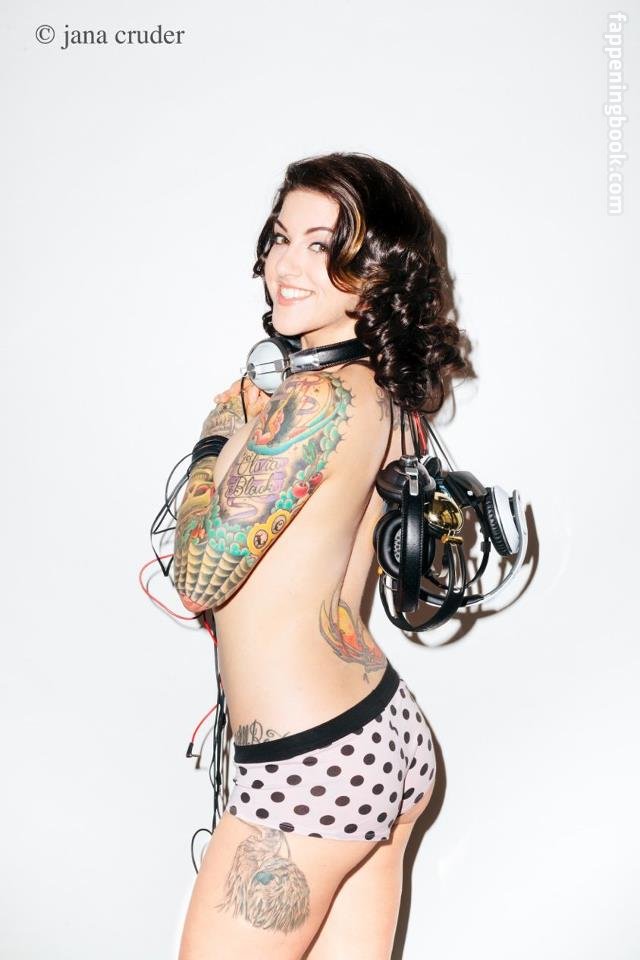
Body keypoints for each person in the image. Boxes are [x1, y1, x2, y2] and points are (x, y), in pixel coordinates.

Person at [174, 152, 470, 959]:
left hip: (307, 772)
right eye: (281, 238)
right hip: (380, 737)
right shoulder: (387, 390)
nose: (287, 266)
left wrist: (217, 433)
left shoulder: (313, 400)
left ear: (377, 270)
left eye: (321, 245)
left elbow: (197, 576)